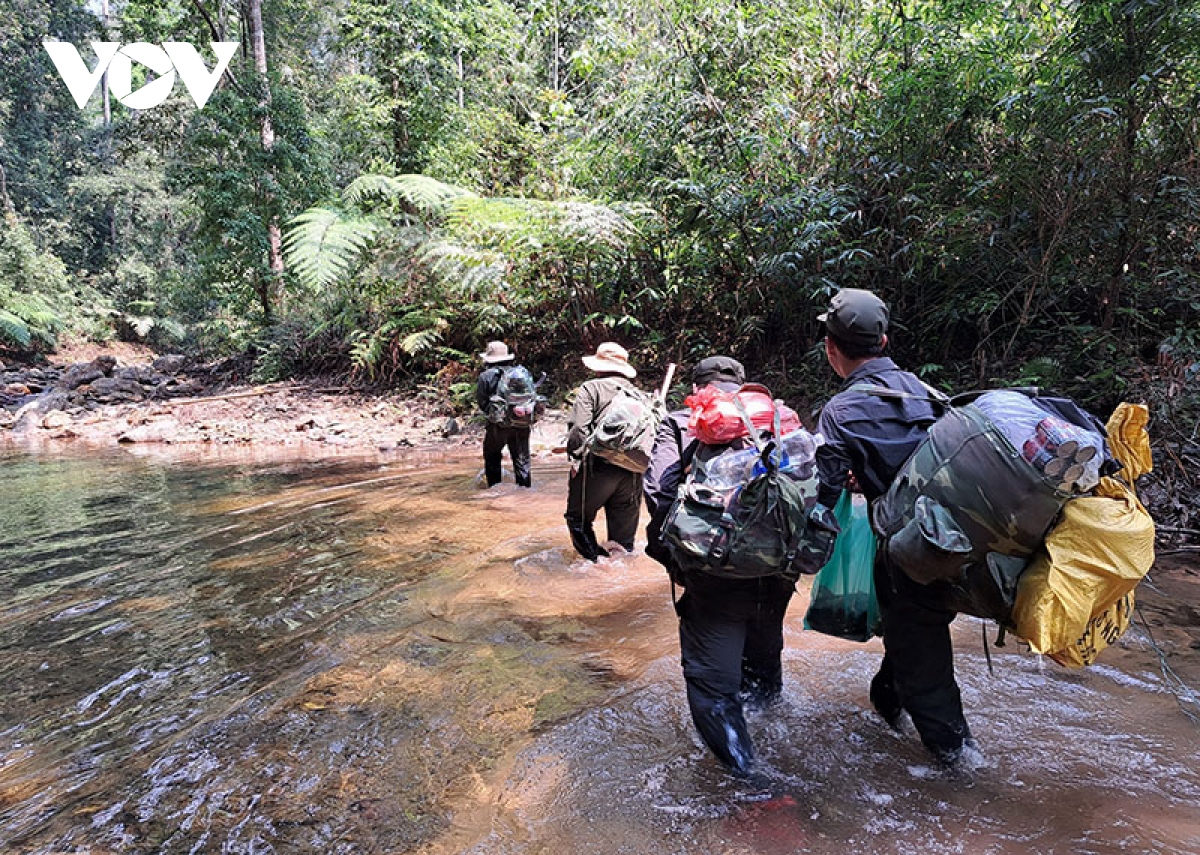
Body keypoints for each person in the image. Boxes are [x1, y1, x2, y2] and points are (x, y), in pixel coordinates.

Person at [813, 287, 978, 765]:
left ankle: (967, 773)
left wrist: (797, 559)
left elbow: (824, 501)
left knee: (928, 681)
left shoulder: (841, 412)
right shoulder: (926, 392)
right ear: (883, 341)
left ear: (831, 348)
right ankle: (888, 706)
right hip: (955, 543)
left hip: (910, 557)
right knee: (912, 643)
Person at [643, 355, 796, 775]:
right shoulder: (777, 417)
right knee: (764, 660)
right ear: (743, 385)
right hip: (778, 569)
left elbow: (659, 491)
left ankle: (753, 785)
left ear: (697, 388)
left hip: (713, 575)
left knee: (713, 685)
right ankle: (781, 742)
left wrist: (679, 556)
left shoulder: (683, 421)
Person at [564, 342, 644, 561]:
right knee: (623, 544)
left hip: (597, 467)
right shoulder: (637, 393)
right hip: (633, 471)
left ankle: (595, 563)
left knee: (577, 519)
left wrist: (576, 459)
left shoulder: (592, 388)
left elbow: (580, 429)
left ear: (598, 366)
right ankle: (619, 570)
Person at [475, 341, 534, 488]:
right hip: (521, 422)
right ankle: (525, 492)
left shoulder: (486, 376)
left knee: (492, 458)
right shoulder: (521, 373)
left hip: (497, 427)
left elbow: (482, 403)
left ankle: (495, 492)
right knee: (522, 461)